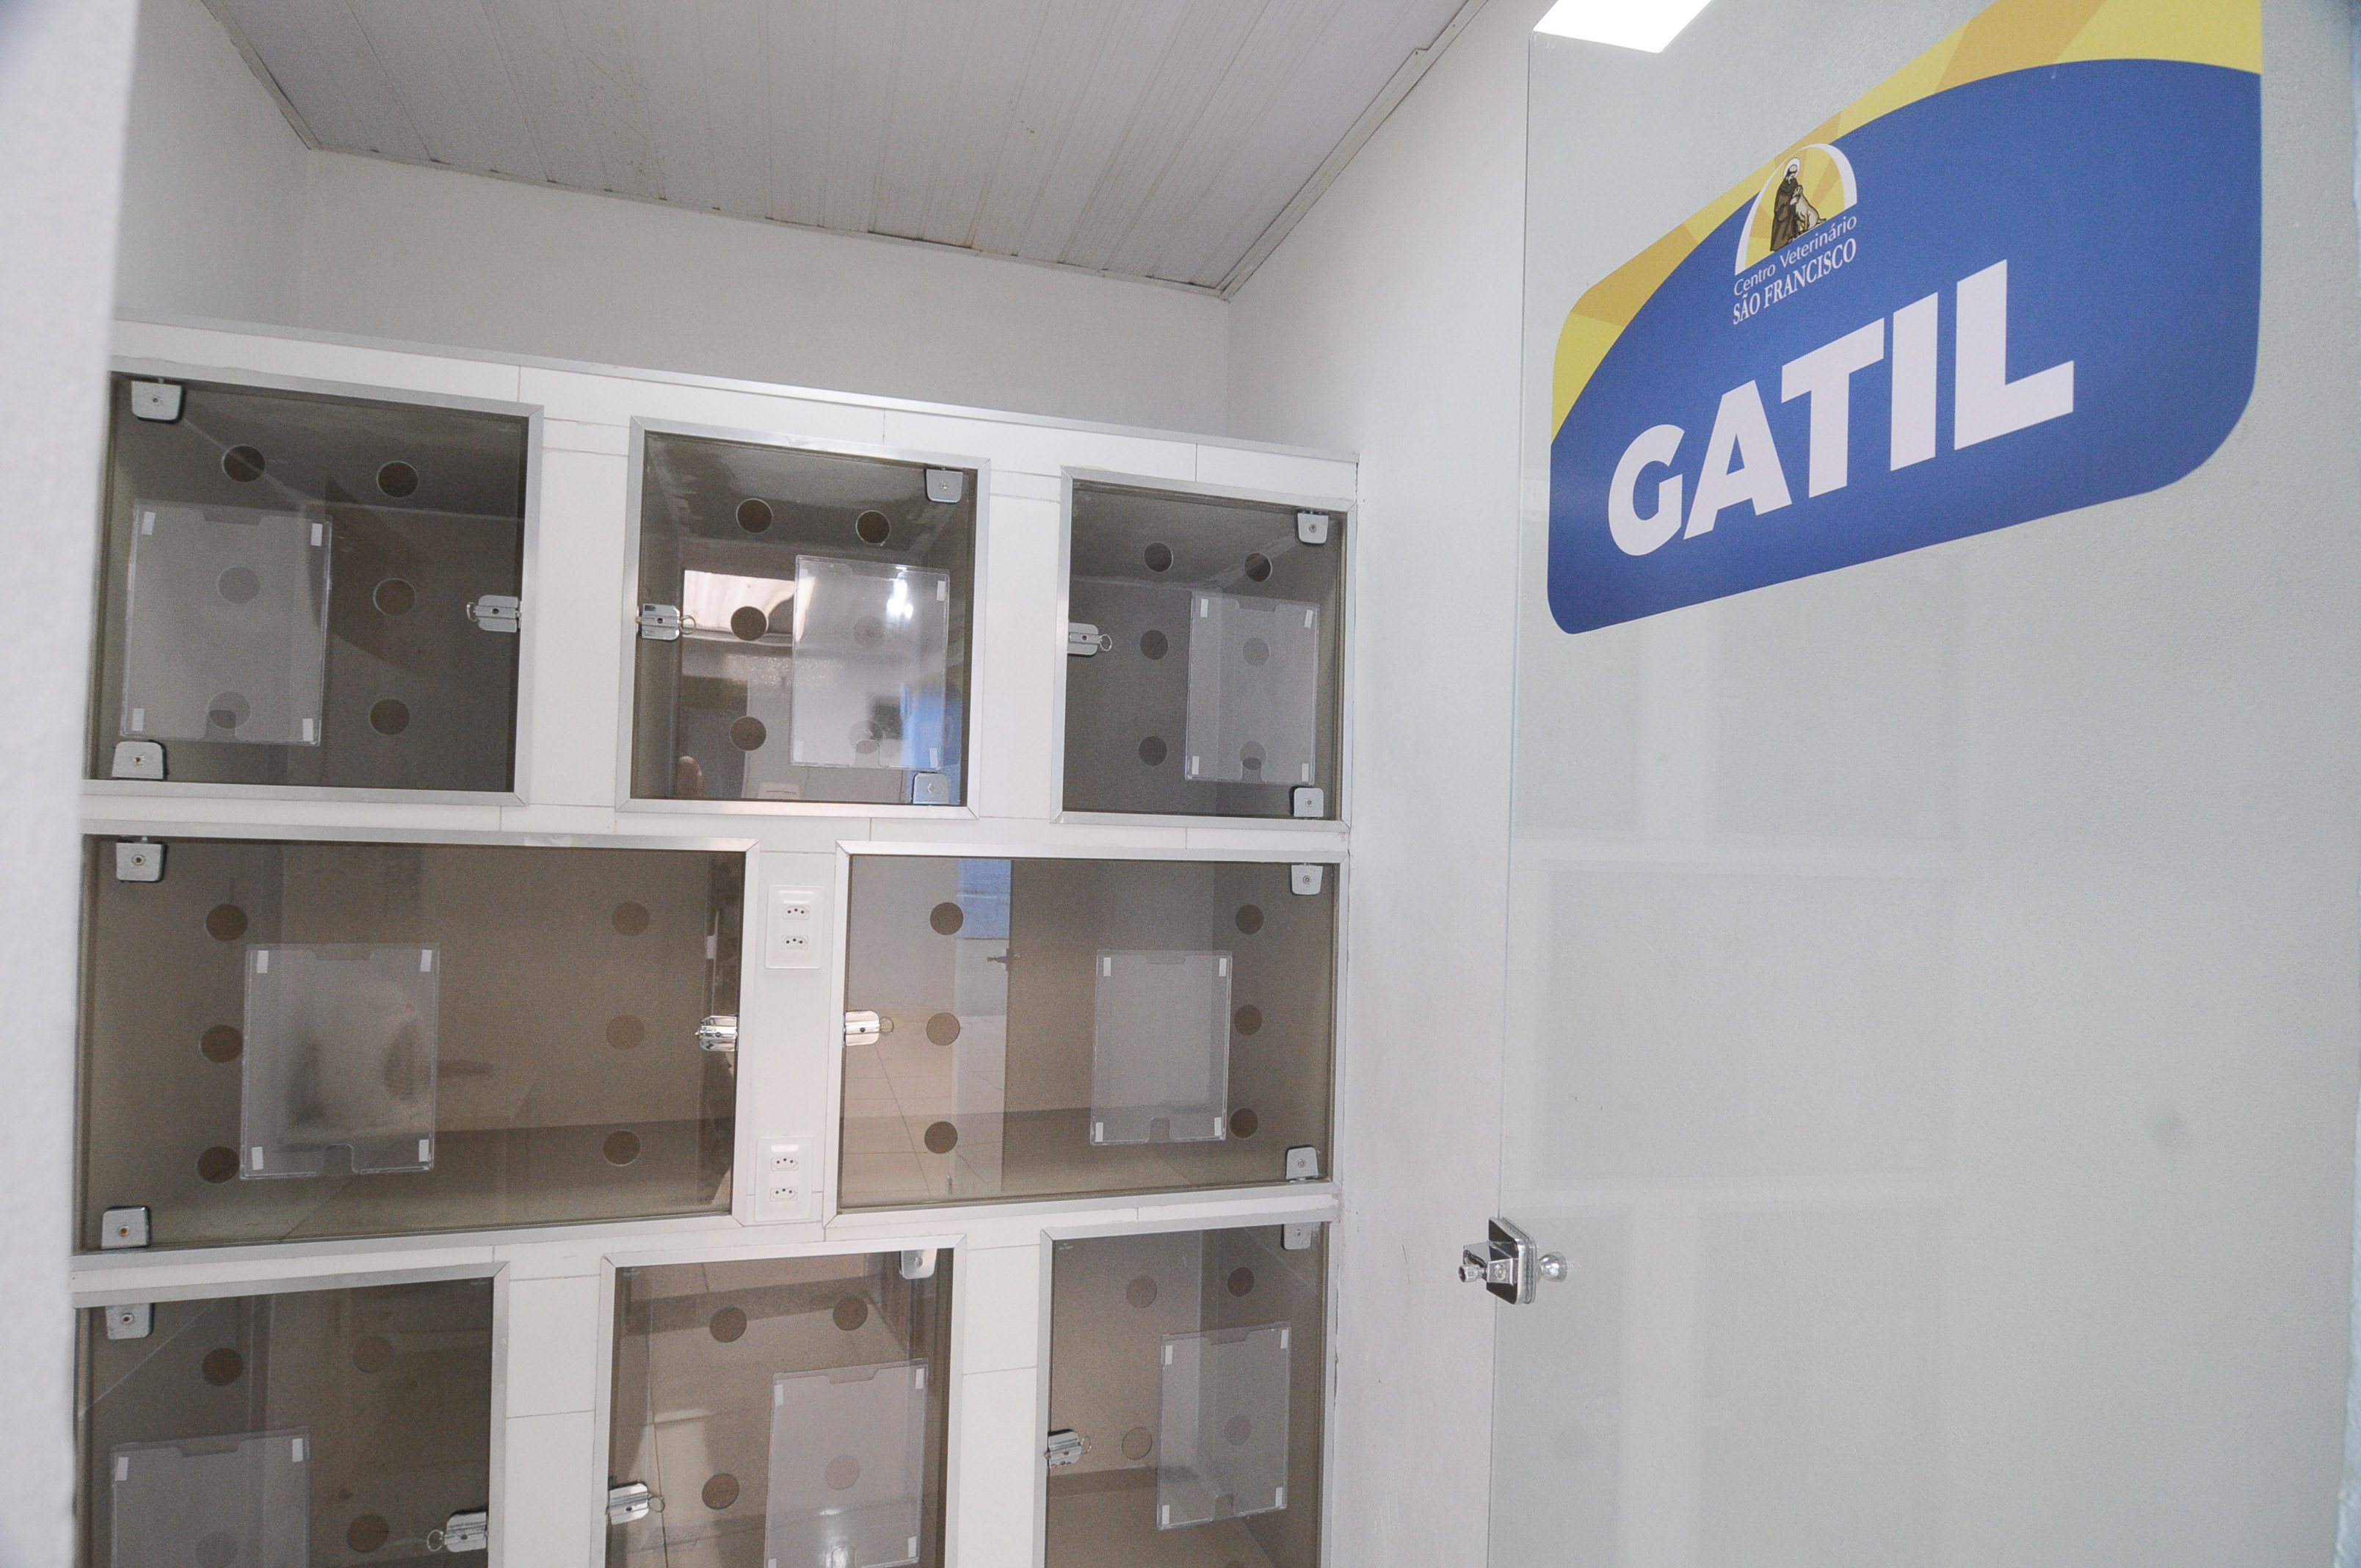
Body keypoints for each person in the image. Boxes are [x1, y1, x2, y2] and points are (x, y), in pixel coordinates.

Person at [1770, 157, 1821, 251]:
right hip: (1784, 220)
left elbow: (1798, 193)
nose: (1793, 176)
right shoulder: (1782, 190)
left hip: (1793, 215)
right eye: (1792, 174)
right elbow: (1778, 210)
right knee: (1783, 239)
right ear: (1788, 174)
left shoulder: (1794, 182)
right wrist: (1790, 203)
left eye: (1795, 174)